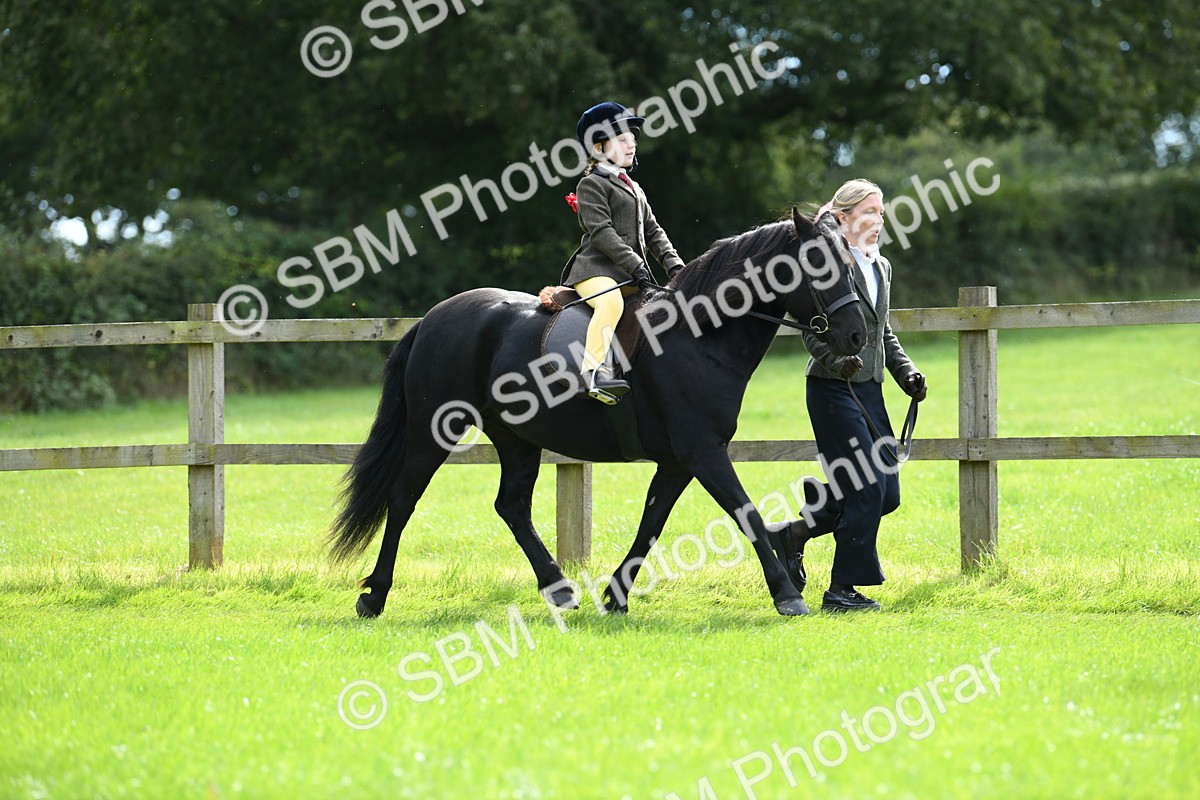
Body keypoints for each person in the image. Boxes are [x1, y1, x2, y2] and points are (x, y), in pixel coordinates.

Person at [773, 179, 928, 612]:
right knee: (866, 487)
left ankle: (794, 533)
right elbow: (811, 329)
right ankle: (841, 591)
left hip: (870, 390)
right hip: (831, 390)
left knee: (888, 494)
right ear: (843, 218)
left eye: (881, 213)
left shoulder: (882, 266)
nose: (879, 221)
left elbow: (883, 331)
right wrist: (835, 360)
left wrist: (906, 373)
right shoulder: (828, 265)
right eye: (869, 212)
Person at [561, 101, 685, 404]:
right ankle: (593, 373)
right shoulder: (591, 184)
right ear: (599, 147)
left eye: (632, 139)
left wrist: (675, 265)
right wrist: (636, 264)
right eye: (622, 140)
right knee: (611, 303)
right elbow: (602, 233)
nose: (631, 145)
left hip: (629, 274)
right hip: (595, 272)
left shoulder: (635, 188)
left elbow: (654, 232)